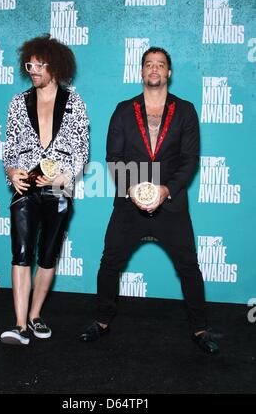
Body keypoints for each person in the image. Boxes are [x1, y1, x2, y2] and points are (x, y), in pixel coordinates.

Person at [80, 47, 221, 354]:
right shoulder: (122, 109)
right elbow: (113, 157)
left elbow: (189, 160)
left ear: (169, 72)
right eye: (149, 64)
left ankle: (199, 328)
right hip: (128, 204)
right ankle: (102, 320)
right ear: (141, 72)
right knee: (109, 262)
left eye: (160, 65)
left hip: (171, 204)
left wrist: (165, 190)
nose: (154, 69)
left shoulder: (185, 110)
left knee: (188, 266)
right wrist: (132, 189)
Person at [1, 34, 89, 345]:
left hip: (58, 191)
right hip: (25, 189)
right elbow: (10, 149)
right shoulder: (18, 102)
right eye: (30, 65)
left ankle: (35, 315)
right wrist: (12, 171)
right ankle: (20, 325)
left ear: (56, 67)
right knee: (21, 255)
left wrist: (64, 178)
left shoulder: (74, 103)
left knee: (48, 257)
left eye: (39, 65)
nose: (33, 70)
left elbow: (81, 150)